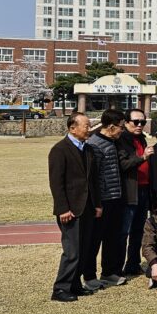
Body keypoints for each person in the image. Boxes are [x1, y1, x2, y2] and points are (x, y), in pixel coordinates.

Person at [48, 112, 100, 302]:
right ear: (72, 128)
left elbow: (93, 181)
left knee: (84, 249)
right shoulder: (59, 150)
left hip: (87, 208)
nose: (89, 129)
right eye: (86, 126)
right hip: (70, 209)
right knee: (72, 251)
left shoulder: (88, 149)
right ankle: (60, 289)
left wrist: (97, 205)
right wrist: (63, 208)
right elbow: (56, 183)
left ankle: (75, 285)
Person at [84, 109, 128, 288]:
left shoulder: (114, 142)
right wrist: (97, 203)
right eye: (121, 127)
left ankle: (109, 272)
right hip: (102, 201)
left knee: (112, 238)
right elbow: (93, 177)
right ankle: (89, 276)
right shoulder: (95, 144)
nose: (122, 130)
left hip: (116, 198)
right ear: (110, 126)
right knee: (94, 240)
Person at [119, 108, 155, 277]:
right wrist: (143, 157)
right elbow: (124, 164)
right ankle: (115, 268)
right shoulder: (122, 139)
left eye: (143, 122)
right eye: (136, 122)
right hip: (129, 191)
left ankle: (132, 264)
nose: (140, 125)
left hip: (144, 190)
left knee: (138, 230)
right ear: (126, 123)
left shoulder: (141, 139)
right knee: (123, 231)